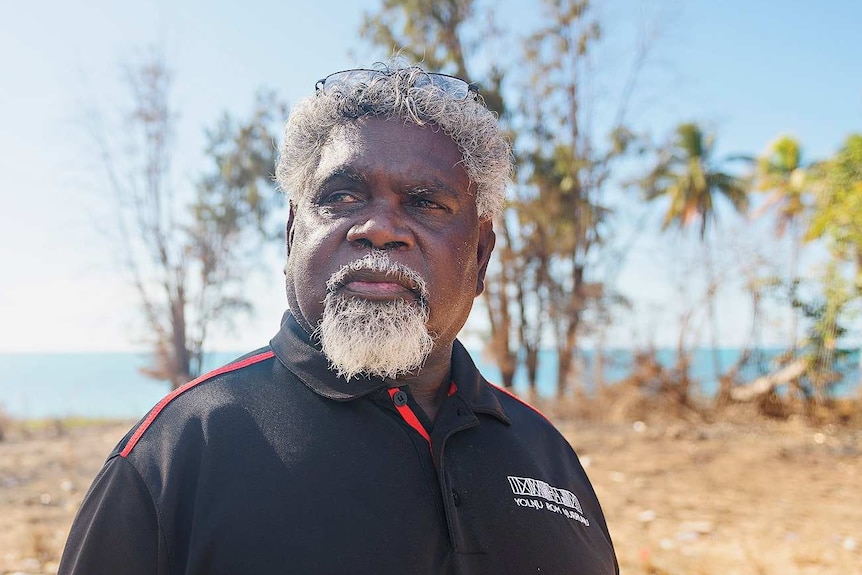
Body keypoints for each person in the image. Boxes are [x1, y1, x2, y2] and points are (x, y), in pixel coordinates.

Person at [59, 63, 618, 575]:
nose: (378, 228)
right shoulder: (176, 453)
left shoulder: (545, 452)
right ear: (291, 235)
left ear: (479, 257)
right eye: (343, 196)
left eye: (425, 203)